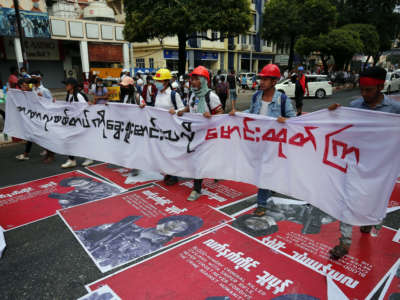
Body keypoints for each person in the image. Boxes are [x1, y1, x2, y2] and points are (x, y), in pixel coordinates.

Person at [328, 66, 400, 260]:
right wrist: (333, 115)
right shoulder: (354, 106)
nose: (364, 94)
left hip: (379, 168)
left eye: (368, 90)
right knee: (347, 201)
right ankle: (344, 242)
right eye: (362, 89)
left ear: (381, 86)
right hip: (355, 164)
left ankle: (367, 220)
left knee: (372, 199)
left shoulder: (395, 110)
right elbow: (339, 129)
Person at [230, 64, 296, 216]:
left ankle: (261, 204)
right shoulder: (256, 96)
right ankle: (269, 188)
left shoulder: (282, 99)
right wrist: (239, 113)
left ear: (274, 82)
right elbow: (252, 112)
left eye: (265, 79)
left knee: (265, 172)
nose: (261, 82)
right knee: (264, 171)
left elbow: (293, 120)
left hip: (274, 145)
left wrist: (284, 120)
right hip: (258, 143)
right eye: (261, 78)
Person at [75, 215, 203, 270]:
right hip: (77, 253)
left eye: (180, 228)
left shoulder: (154, 251)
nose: (173, 226)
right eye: (175, 222)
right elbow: (84, 233)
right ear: (167, 220)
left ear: (178, 233)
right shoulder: (127, 225)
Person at [177, 66, 224, 201]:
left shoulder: (211, 96)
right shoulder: (192, 94)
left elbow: (220, 113)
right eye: (192, 79)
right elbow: (191, 107)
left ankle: (197, 189)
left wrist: (211, 116)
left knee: (199, 161)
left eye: (196, 79)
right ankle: (215, 173)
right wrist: (182, 110)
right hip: (194, 134)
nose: (192, 81)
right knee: (198, 160)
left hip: (208, 136)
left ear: (204, 81)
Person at [140, 68, 185, 184]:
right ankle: (168, 173)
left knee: (172, 153)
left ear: (165, 82)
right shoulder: (158, 95)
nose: (156, 83)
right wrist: (145, 108)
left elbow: (183, 110)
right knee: (163, 152)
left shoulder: (174, 95)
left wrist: (174, 111)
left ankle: (174, 175)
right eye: (156, 81)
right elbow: (155, 110)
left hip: (172, 130)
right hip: (160, 129)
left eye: (159, 81)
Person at [16, 72, 55, 163]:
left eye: (29, 84)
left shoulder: (41, 91)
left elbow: (51, 102)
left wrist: (42, 99)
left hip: (44, 117)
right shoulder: (31, 91)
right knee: (42, 137)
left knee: (46, 136)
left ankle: (51, 155)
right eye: (26, 85)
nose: (28, 86)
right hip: (36, 118)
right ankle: (48, 153)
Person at [61, 78, 94, 168]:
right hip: (73, 123)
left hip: (80, 123)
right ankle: (71, 159)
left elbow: (85, 108)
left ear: (72, 86)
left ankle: (88, 158)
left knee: (82, 141)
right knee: (69, 140)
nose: (65, 86)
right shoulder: (69, 96)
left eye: (67, 84)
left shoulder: (78, 96)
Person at [48, 176, 120, 208]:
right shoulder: (71, 194)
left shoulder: (103, 184)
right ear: (70, 185)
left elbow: (117, 191)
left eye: (78, 180)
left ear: (85, 180)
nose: (77, 182)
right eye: (72, 182)